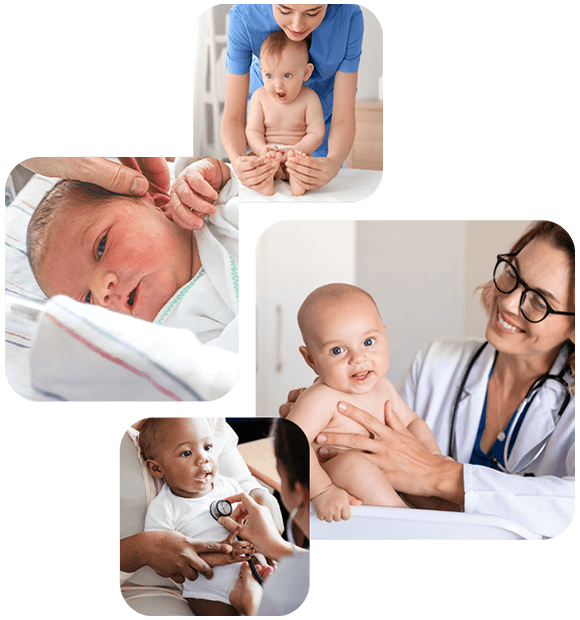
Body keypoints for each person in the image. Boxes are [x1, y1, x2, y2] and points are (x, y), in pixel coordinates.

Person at [281, 222, 575, 538]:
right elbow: (388, 451)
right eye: (512, 275)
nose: (507, 302)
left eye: (539, 301)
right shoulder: (438, 360)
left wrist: (436, 471)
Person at [25, 159, 238, 337]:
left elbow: (262, 183)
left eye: (101, 247)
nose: (102, 291)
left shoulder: (215, 209)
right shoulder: (169, 344)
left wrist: (219, 174)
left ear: (157, 201)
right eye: (88, 300)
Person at [288, 283, 443, 521]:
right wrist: (322, 491)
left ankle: (438, 517)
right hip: (338, 481)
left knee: (436, 493)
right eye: (337, 350)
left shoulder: (384, 387)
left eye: (368, 342)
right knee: (352, 464)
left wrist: (433, 459)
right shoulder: (322, 397)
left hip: (387, 477)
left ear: (384, 334)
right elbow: (289, 441)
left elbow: (412, 422)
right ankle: (406, 521)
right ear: (311, 359)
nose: (358, 358)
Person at [140, 418, 277, 616]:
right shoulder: (163, 508)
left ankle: (255, 598)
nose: (203, 458)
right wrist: (222, 556)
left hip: (250, 571)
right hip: (207, 590)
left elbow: (252, 529)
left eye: (207, 447)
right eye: (186, 453)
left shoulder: (229, 487)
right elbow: (168, 560)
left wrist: (266, 554)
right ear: (157, 468)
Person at [222, 4, 362, 193]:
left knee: (307, 179)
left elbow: (343, 118)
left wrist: (332, 163)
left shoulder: (348, 16)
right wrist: (239, 161)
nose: (297, 26)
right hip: (266, 134)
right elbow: (233, 116)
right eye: (285, 10)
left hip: (316, 132)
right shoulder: (245, 15)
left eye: (313, 12)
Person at [246, 30, 325, 196]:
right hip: (268, 154)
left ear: (306, 73)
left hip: (296, 153)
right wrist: (262, 149)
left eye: (287, 75)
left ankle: (298, 184)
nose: (278, 85)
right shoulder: (259, 98)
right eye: (270, 76)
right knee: (253, 162)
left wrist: (296, 150)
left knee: (307, 165)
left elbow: (316, 133)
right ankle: (265, 182)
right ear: (261, 71)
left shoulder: (310, 98)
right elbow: (253, 131)